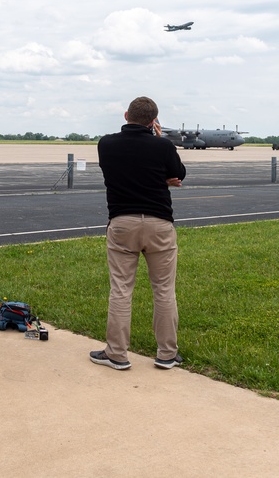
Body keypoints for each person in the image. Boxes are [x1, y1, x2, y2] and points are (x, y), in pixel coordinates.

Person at [90, 96, 187, 371]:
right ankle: (167, 353)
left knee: (121, 290)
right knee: (164, 290)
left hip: (122, 221)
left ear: (125, 115)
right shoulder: (163, 146)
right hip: (159, 223)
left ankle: (117, 354)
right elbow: (178, 173)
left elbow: (121, 169)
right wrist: (160, 148)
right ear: (153, 121)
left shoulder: (106, 144)